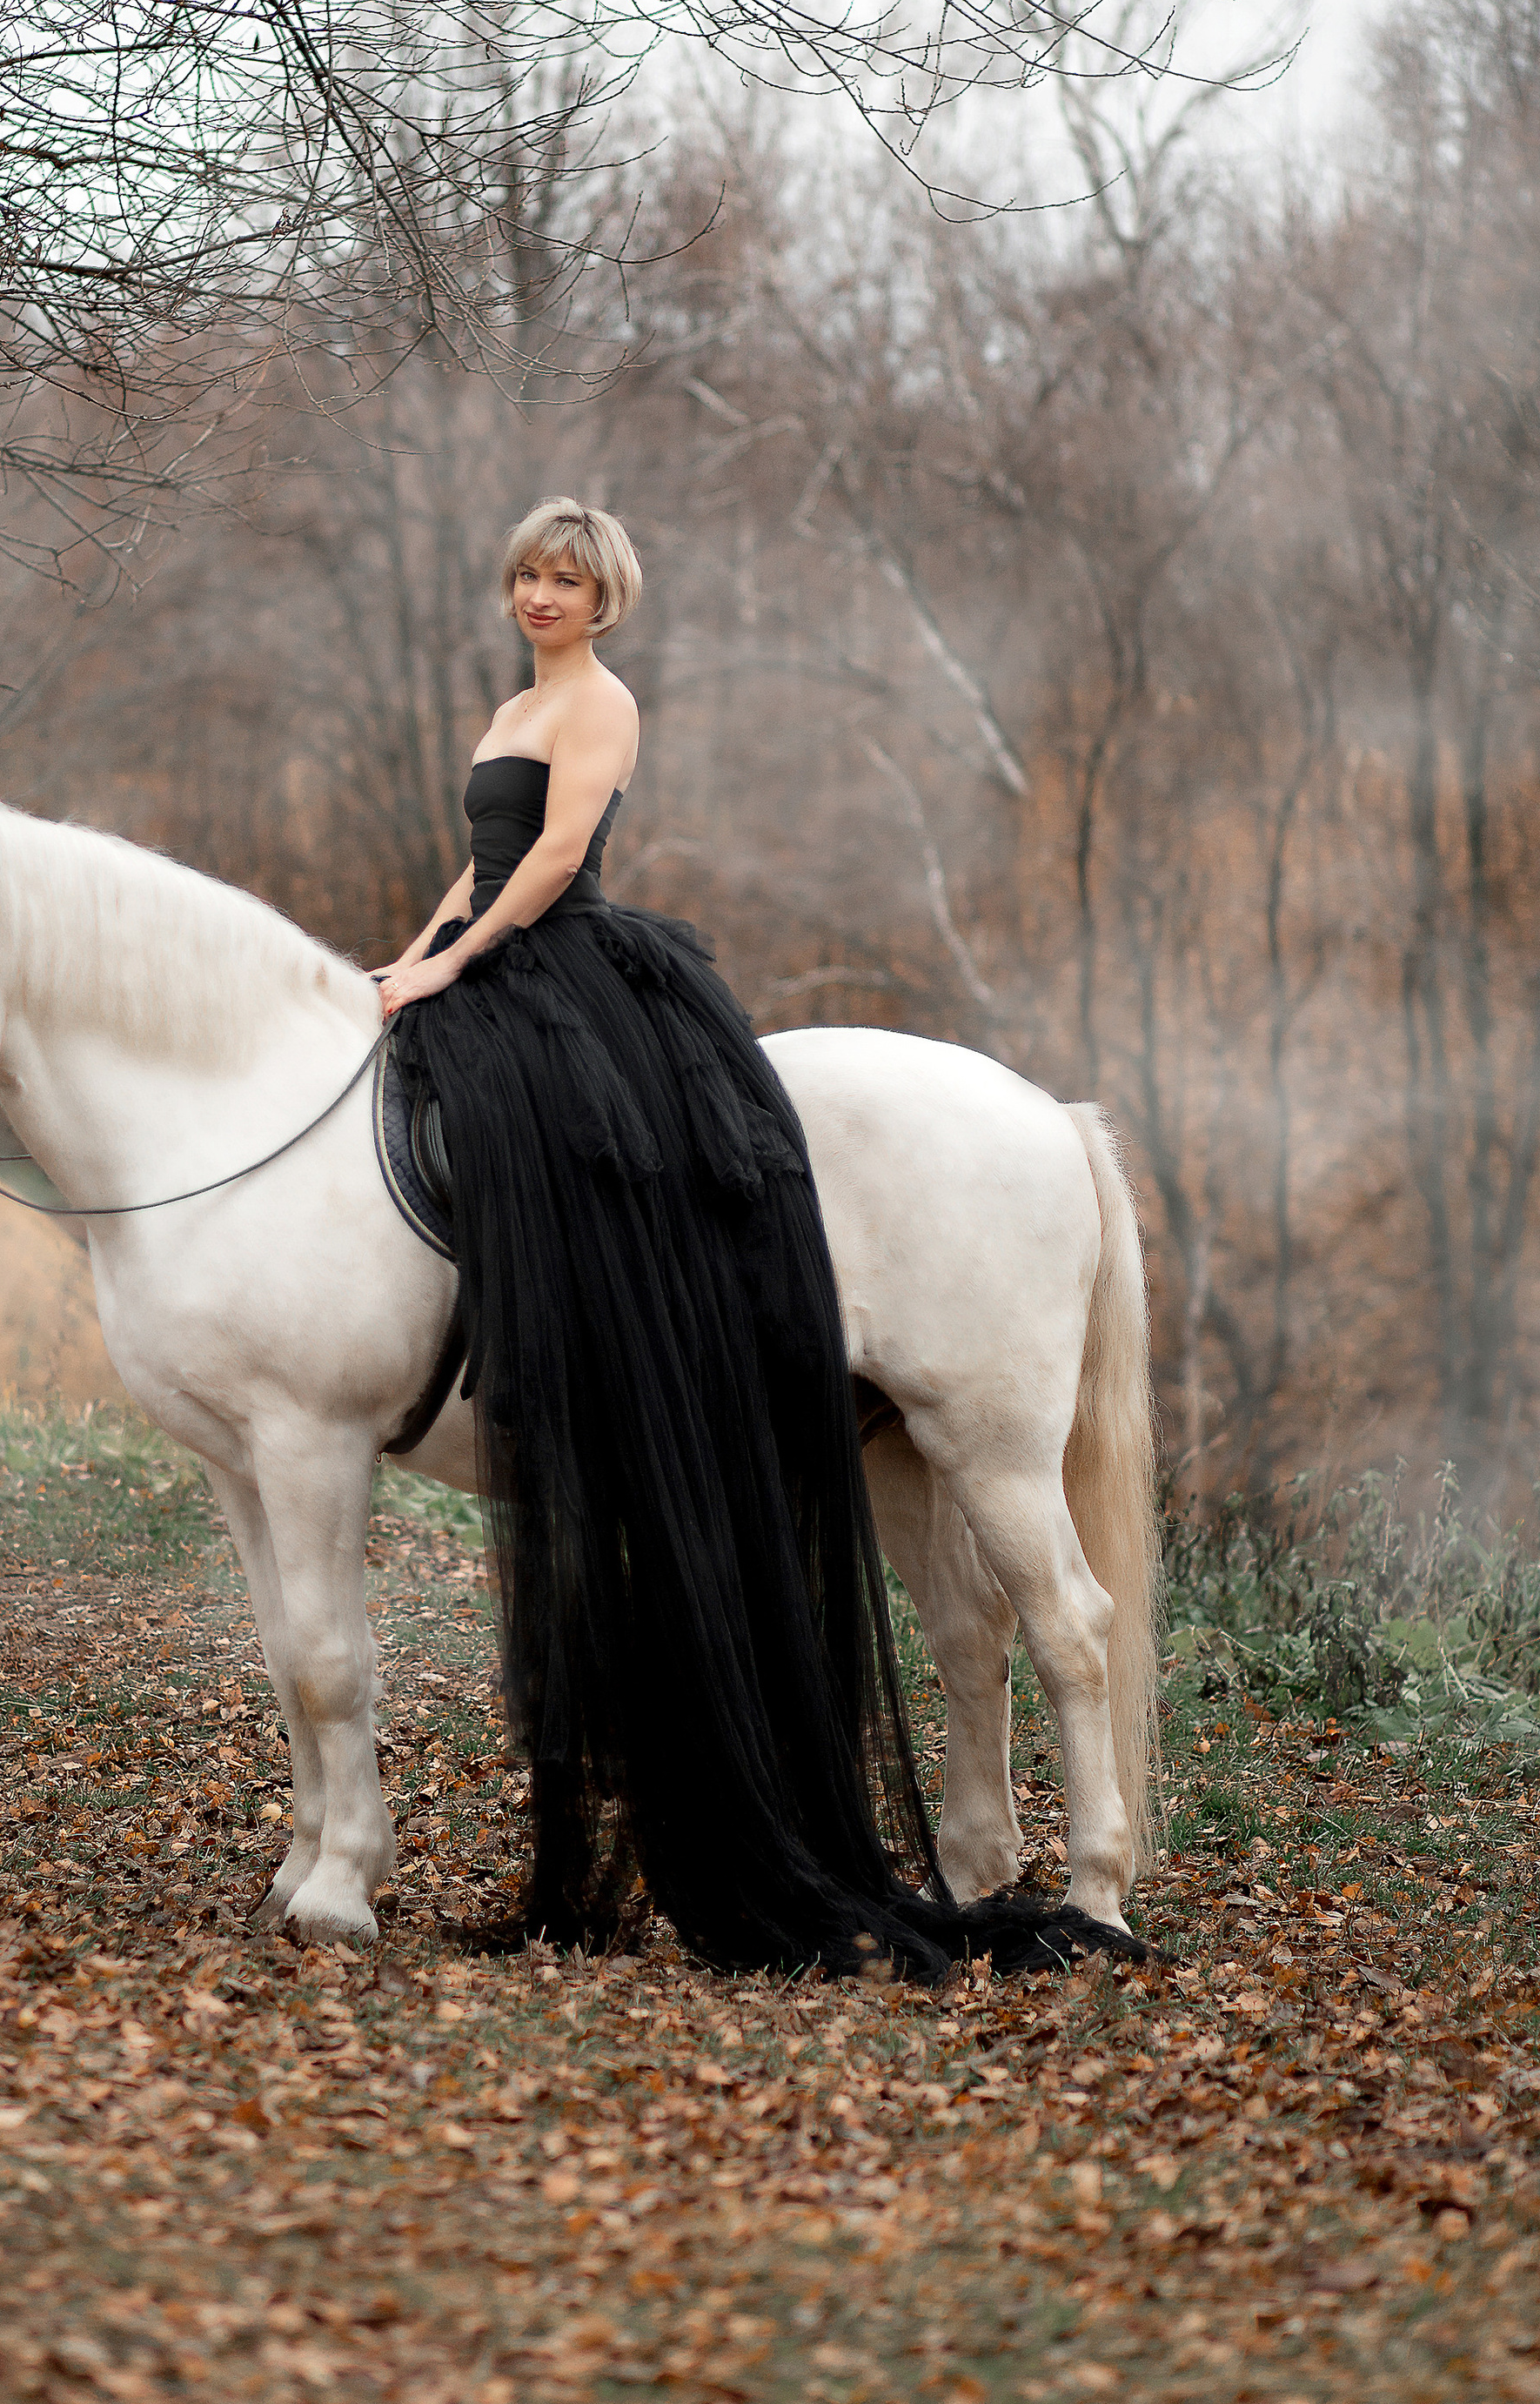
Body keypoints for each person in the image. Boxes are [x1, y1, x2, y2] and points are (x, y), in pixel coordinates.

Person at [377, 499, 1055, 1979]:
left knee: (588, 1148)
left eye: (565, 580)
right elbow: (475, 860)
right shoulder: (509, 701)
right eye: (527, 576)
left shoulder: (601, 703)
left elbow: (552, 863)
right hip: (492, 956)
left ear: (604, 597)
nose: (540, 597)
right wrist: (414, 961)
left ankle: (607, 1340)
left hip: (578, 966)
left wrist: (470, 959)